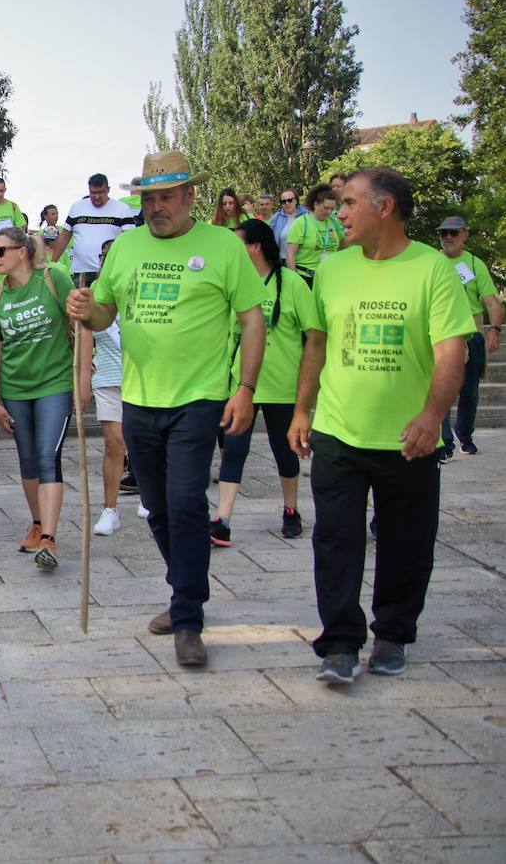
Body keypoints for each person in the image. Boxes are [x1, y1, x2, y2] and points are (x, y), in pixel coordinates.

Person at [67, 150, 267, 668]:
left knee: (183, 502)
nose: (156, 207)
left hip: (198, 399)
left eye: (166, 197)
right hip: (138, 398)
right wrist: (89, 312)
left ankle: (188, 617)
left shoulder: (223, 246)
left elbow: (251, 320)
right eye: (149, 198)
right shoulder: (128, 246)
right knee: (154, 507)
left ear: (190, 196)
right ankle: (185, 591)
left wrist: (244, 388)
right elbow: (108, 309)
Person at [288, 167, 476, 684]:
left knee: (406, 542)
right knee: (335, 541)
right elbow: (318, 344)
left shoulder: (432, 270)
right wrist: (303, 410)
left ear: (385, 208)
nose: (339, 212)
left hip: (408, 439)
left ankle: (393, 633)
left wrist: (432, 416)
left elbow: (451, 351)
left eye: (349, 203)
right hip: (339, 432)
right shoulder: (333, 269)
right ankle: (341, 642)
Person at [210, 219, 317, 547]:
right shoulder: (233, 283)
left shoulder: (293, 284)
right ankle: (223, 520)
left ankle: (290, 510)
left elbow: (314, 335)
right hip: (241, 385)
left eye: (238, 243)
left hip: (283, 384)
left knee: (284, 451)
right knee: (234, 450)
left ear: (255, 246)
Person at [0, 227, 75, 567]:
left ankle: (49, 539)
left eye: (0, 251)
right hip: (15, 388)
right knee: (28, 459)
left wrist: (84, 375)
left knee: (48, 456)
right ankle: (37, 524)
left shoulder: (54, 279)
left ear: (22, 251)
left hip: (55, 382)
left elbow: (83, 322)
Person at [75, 239, 129, 536]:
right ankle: (110, 509)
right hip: (108, 377)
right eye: (105, 256)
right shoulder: (93, 293)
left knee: (144, 446)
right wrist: (83, 379)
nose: (109, 260)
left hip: (142, 379)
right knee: (114, 443)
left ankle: (148, 496)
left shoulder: (135, 285)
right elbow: (85, 335)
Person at [436, 215, 501, 458]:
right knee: (441, 388)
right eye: (444, 233)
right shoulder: (432, 262)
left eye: (453, 233)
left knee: (470, 392)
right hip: (441, 332)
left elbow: (492, 303)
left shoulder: (475, 264)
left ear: (464, 234)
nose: (448, 238)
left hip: (471, 333)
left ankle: (464, 435)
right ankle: (444, 444)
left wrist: (494, 329)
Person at [53, 173, 140, 286]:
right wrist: (52, 262)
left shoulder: (121, 209)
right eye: (93, 192)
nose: (97, 196)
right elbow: (65, 236)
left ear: (108, 190)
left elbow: (130, 240)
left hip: (110, 272)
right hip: (81, 272)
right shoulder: (77, 208)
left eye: (101, 192)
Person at [285, 184, 343, 285]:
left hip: (329, 277)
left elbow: (342, 245)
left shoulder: (334, 222)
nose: (329, 212)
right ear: (315, 204)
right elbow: (290, 255)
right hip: (306, 278)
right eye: (326, 208)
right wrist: (293, 282)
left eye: (332, 208)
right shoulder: (301, 223)